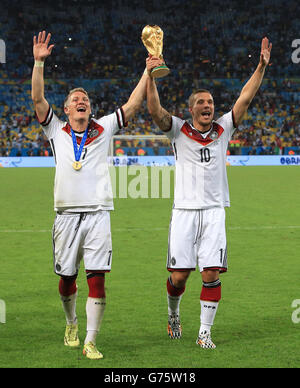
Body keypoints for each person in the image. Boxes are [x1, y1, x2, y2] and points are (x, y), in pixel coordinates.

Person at [31, 30, 155, 360]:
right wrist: (38, 63)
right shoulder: (55, 129)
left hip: (99, 213)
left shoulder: (104, 127)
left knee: (98, 279)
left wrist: (147, 70)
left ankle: (91, 339)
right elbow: (38, 100)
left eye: (85, 98)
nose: (81, 101)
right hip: (66, 217)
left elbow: (133, 104)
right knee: (67, 279)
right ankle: (71, 322)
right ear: (67, 109)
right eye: (75, 99)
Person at [146, 38, 272, 348]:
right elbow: (154, 110)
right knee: (179, 278)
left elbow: (245, 97)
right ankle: (173, 314)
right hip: (184, 213)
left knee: (211, 273)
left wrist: (261, 66)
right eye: (201, 103)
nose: (208, 106)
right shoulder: (177, 130)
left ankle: (205, 333)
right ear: (190, 110)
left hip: (215, 211)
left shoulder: (224, 128)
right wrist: (150, 77)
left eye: (211, 103)